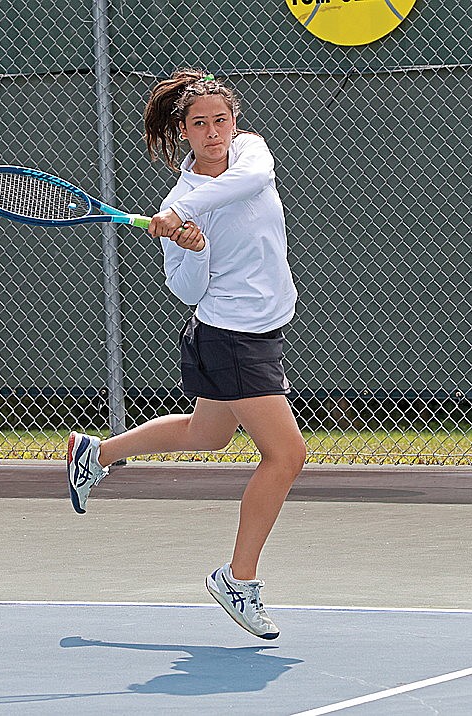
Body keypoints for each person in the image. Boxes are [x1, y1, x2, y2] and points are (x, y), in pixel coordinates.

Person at [66, 69, 306, 639]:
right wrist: (189, 244)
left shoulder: (251, 156)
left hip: (261, 327)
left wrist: (185, 216)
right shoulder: (176, 203)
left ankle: (96, 454)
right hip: (229, 335)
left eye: (221, 120)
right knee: (286, 456)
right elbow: (188, 290)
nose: (214, 132)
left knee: (208, 435)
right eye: (200, 124)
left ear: (233, 122)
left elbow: (246, 185)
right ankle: (238, 579)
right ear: (184, 131)